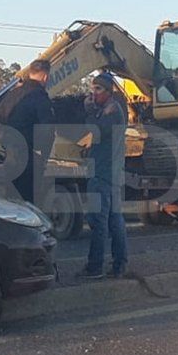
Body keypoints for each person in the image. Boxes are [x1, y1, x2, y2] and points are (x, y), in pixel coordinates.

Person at [77, 73, 127, 280]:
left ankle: (95, 266)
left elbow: (96, 131)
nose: (93, 93)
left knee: (99, 221)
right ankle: (119, 264)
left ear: (109, 91)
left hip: (103, 174)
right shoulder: (112, 110)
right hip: (111, 173)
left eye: (98, 89)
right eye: (92, 88)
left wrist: (89, 112)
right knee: (115, 220)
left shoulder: (111, 112)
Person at [0, 59, 54, 205]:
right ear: (45, 77)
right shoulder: (40, 98)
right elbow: (48, 130)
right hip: (30, 161)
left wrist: (8, 144)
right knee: (29, 203)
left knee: (11, 202)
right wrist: (43, 155)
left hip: (11, 159)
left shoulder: (13, 94)